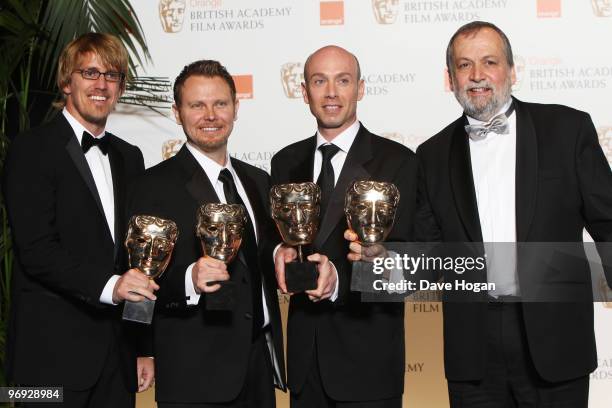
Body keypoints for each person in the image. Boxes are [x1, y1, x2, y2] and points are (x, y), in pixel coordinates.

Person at [349, 21, 612, 407]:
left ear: (512, 70)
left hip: (555, 340)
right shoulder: (433, 154)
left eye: (489, 62)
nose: (477, 76)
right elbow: (431, 255)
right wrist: (382, 264)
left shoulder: (567, 128)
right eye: (464, 65)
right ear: (450, 77)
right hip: (473, 349)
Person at [3, 33, 154, 407]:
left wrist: (142, 347)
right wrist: (110, 286)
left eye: (112, 74)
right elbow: (36, 251)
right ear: (66, 81)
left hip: (117, 361)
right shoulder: (31, 149)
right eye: (89, 72)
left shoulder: (129, 157)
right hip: (46, 361)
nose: (101, 84)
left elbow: (136, 261)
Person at [127, 59, 286, 407]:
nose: (210, 115)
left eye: (220, 104)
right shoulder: (151, 186)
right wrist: (189, 279)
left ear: (236, 108)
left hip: (258, 366)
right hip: (193, 372)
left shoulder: (257, 181)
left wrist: (281, 255)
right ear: (177, 111)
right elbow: (133, 280)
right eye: (197, 105)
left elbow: (259, 263)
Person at [271, 45, 417, 408]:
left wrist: (343, 278)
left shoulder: (398, 163)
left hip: (368, 365)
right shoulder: (285, 162)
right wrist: (277, 251)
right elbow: (270, 243)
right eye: (320, 81)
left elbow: (414, 262)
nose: (332, 92)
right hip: (306, 365)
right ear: (304, 92)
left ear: (361, 89)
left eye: (343, 80)